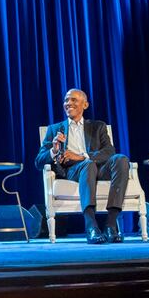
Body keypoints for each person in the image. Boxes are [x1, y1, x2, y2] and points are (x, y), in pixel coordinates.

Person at [36, 89, 129, 244]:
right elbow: (39, 161)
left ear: (85, 105)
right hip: (73, 170)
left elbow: (109, 151)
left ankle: (111, 225)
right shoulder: (54, 129)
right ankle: (91, 227)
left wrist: (81, 156)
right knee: (88, 165)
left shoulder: (98, 126)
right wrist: (54, 150)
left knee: (121, 159)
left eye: (73, 100)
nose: (68, 103)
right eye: (66, 100)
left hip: (98, 167)